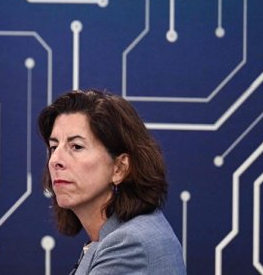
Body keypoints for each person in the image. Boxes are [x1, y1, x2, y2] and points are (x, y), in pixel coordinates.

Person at [38, 89, 186, 275]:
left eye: (76, 146)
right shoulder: (116, 235)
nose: (55, 160)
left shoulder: (129, 244)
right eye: (54, 147)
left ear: (119, 168)